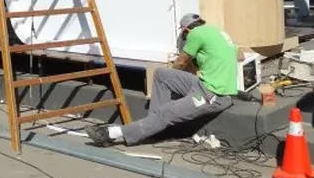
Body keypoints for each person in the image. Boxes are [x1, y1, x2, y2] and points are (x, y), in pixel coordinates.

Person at [86, 13, 238, 147]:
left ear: (186, 30)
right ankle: (156, 127)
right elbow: (240, 56)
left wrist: (190, 61)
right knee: (161, 75)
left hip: (213, 94)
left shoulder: (195, 34)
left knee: (167, 111)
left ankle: (112, 133)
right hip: (205, 84)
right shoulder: (219, 33)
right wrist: (206, 60)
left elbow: (181, 62)